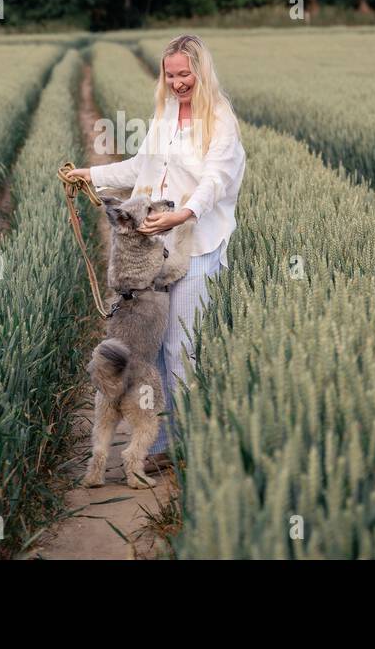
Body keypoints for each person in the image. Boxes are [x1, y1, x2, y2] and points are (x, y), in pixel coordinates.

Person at [68, 34, 246, 471]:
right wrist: (89, 175)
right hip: (157, 251)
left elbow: (216, 180)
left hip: (197, 244)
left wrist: (182, 214)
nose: (178, 83)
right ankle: (163, 441)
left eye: (185, 74)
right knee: (156, 351)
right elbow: (140, 168)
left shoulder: (220, 121)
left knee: (184, 350)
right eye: (171, 75)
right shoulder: (165, 113)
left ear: (201, 72)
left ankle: (194, 447)